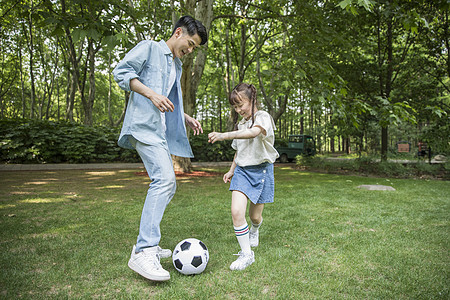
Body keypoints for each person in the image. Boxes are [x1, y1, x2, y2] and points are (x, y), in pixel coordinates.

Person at [113, 15, 208, 281]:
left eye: (194, 48)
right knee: (164, 180)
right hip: (144, 126)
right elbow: (121, 73)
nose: (190, 51)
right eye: (189, 43)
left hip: (161, 131)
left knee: (169, 183)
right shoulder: (149, 48)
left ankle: (150, 245)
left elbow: (169, 98)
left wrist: (185, 117)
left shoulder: (176, 66)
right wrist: (151, 93)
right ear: (178, 32)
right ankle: (143, 251)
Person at [208, 83, 279, 271]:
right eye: (235, 107)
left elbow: (252, 133)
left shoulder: (263, 118)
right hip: (242, 171)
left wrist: (224, 135)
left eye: (241, 105)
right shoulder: (240, 123)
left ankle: (255, 230)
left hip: (261, 170)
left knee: (255, 217)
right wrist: (231, 170)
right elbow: (239, 151)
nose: (238, 110)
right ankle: (247, 255)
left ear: (252, 100)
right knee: (237, 212)